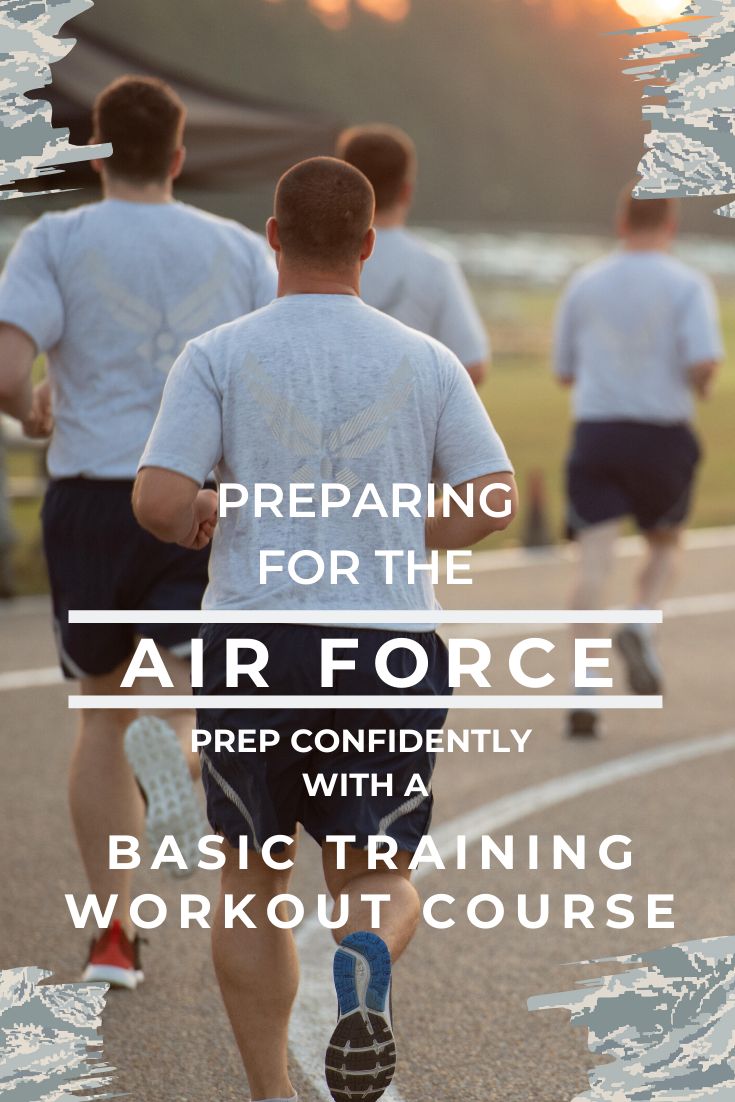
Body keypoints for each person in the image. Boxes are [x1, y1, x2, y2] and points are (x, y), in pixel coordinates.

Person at [134, 156, 516, 1102]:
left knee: (252, 887)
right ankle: (363, 953)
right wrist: (393, 528)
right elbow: (491, 496)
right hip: (383, 647)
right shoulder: (422, 358)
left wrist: (201, 511)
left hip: (256, 645)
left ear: (272, 237)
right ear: (368, 246)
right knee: (371, 873)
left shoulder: (217, 355)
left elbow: (157, 498)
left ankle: (272, 1093)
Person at [0, 75, 277, 987]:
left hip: (87, 494)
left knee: (99, 713)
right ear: (181, 155)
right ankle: (185, 753)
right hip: (190, 488)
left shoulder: (57, 239)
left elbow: (7, 367)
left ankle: (112, 936)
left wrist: (35, 410)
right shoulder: (236, 248)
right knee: (188, 677)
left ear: (97, 150)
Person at [554, 187, 723, 737]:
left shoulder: (585, 282)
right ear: (670, 222)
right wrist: (702, 384)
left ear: (620, 219)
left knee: (593, 565)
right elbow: (702, 365)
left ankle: (584, 689)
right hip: (661, 434)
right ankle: (640, 616)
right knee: (666, 546)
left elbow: (564, 371)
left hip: (598, 432)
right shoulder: (686, 284)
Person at [337, 124, 489, 386]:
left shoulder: (306, 260)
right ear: (406, 191)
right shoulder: (434, 267)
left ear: (340, 186)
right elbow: (472, 364)